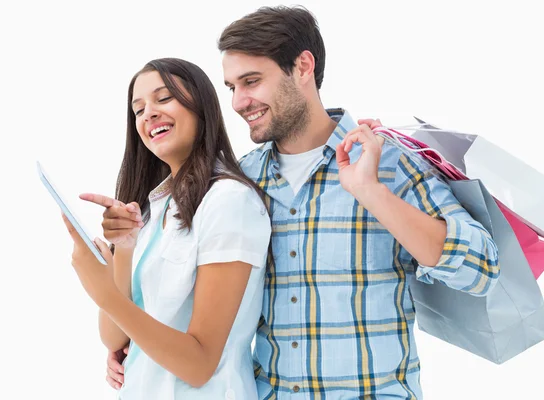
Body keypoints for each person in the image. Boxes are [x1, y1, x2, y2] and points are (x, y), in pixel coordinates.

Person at [105, 6, 500, 399]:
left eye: (252, 81)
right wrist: (136, 350)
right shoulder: (241, 183)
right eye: (232, 87)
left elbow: (481, 270)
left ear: (303, 66)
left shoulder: (387, 162)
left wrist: (372, 193)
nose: (239, 102)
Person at [62, 58, 271, 399]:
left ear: (201, 106)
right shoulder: (154, 206)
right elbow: (115, 338)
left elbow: (200, 364)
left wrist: (103, 292)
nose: (148, 114)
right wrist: (124, 250)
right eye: (139, 109)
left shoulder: (229, 201)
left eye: (163, 98)